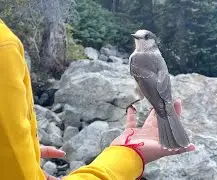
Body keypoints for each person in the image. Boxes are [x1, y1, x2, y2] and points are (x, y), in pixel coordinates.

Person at [0, 18, 196, 180]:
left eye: (144, 37)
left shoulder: (138, 58)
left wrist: (21, 153)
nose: (139, 38)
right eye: (138, 36)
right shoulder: (4, 48)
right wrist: (127, 156)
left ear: (152, 41)